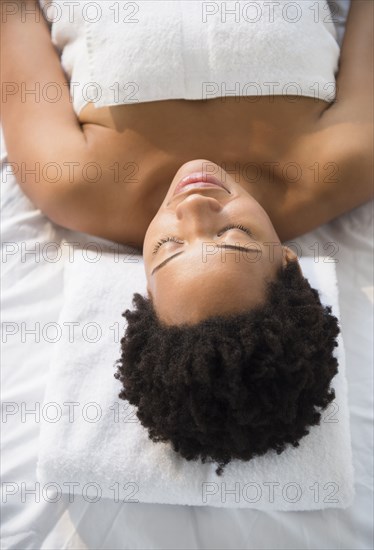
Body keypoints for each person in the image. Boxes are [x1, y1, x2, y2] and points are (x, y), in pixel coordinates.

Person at [1, 0, 372, 474]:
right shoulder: (347, 163)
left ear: (143, 289)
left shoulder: (70, 181)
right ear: (288, 261)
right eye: (234, 233)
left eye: (170, 247)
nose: (195, 207)